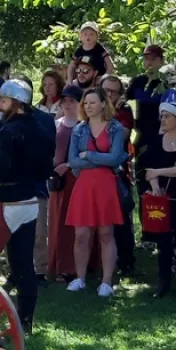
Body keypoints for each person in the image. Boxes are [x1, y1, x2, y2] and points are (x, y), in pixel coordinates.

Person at [0, 80, 55, 333]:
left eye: (3, 101)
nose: (0, 106)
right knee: (23, 265)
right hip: (30, 203)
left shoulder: (8, 132)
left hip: (6, 203)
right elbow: (45, 170)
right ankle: (25, 323)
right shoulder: (43, 130)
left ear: (16, 103)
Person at [65, 87, 128, 297]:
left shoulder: (115, 128)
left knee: (106, 233)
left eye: (93, 102)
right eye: (86, 103)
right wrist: (98, 160)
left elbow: (116, 158)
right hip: (83, 185)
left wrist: (88, 155)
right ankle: (80, 278)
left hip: (105, 186)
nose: (88, 106)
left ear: (103, 104)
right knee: (81, 234)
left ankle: (107, 282)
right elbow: (73, 161)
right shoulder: (79, 129)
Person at [138, 102, 176, 299]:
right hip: (163, 200)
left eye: (167, 116)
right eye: (162, 116)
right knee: (164, 243)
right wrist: (155, 187)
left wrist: (159, 172)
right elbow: (147, 169)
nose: (163, 119)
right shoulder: (155, 142)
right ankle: (163, 282)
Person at [48, 85, 83, 283]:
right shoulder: (56, 123)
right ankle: (60, 265)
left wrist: (68, 165)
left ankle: (77, 266)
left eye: (72, 101)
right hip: (58, 180)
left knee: (76, 223)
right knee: (57, 222)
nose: (68, 105)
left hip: (77, 178)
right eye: (65, 101)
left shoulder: (85, 126)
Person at [102, 74, 137, 275]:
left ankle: (126, 262)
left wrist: (109, 114)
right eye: (105, 90)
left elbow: (120, 135)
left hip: (118, 172)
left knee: (122, 217)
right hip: (95, 170)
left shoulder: (124, 110)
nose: (108, 94)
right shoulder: (92, 105)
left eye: (113, 91)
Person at [127, 45, 165, 187]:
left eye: (153, 59)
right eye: (146, 59)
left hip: (161, 135)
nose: (149, 63)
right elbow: (125, 100)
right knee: (142, 179)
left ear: (161, 61)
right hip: (140, 136)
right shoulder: (138, 82)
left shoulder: (166, 83)